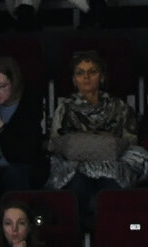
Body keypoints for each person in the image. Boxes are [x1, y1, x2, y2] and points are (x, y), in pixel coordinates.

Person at [46, 50, 146, 224]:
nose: (86, 77)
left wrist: (87, 140)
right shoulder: (65, 109)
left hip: (113, 164)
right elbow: (56, 142)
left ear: (102, 77)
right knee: (77, 186)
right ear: (74, 80)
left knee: (111, 188)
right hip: (75, 165)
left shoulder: (119, 107)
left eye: (92, 72)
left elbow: (130, 140)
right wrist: (101, 140)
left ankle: (113, 234)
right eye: (80, 73)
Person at [0, 57, 47, 226]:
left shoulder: (29, 101)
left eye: (1, 86)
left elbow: (27, 153)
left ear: (14, 82)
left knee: (15, 175)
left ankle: (20, 231)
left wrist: (1, 128)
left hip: (22, 164)